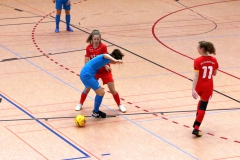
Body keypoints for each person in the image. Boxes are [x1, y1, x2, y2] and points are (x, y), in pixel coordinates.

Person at [75, 30, 126, 112]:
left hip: (105, 70)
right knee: (87, 88)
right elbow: (87, 61)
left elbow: (106, 58)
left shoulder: (103, 46)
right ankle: (80, 103)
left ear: (100, 39)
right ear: (92, 39)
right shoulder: (88, 48)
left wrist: (106, 66)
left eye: (98, 39)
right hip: (94, 72)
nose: (96, 41)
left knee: (112, 89)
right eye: (95, 39)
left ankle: (119, 105)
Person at [80, 50, 124, 118]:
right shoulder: (106, 57)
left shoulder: (106, 61)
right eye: (115, 62)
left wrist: (106, 66)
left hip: (87, 74)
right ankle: (95, 112)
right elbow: (105, 55)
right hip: (87, 75)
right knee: (101, 92)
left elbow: (99, 62)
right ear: (114, 57)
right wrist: (115, 60)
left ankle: (96, 111)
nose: (114, 63)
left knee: (99, 92)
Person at [192, 41, 219, 137]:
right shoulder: (214, 60)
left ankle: (196, 122)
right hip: (208, 86)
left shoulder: (197, 60)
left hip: (199, 85)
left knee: (200, 102)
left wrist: (193, 89)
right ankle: (196, 128)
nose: (197, 49)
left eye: (198, 48)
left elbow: (196, 76)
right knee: (203, 105)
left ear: (202, 49)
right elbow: (214, 74)